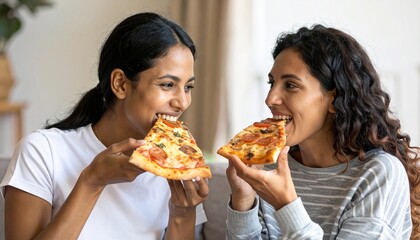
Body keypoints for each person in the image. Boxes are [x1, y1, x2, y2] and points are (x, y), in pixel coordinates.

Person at [0, 12, 209, 240]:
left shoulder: (178, 168)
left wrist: (182, 213)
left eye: (188, 87)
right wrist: (92, 181)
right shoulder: (42, 151)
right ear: (120, 84)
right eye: (168, 84)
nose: (182, 102)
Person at [222, 24, 420, 239]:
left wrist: (286, 204)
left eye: (290, 85)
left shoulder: (379, 173)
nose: (270, 99)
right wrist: (243, 201)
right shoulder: (269, 169)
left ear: (334, 100)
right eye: (272, 83)